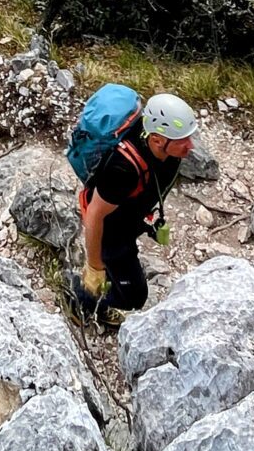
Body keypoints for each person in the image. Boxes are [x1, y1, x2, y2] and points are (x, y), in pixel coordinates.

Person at [65, 91, 197, 327]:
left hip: (127, 221)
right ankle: (79, 296)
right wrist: (94, 267)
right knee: (134, 297)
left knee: (124, 279)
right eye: (183, 140)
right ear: (157, 140)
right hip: (112, 233)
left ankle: (96, 291)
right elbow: (95, 215)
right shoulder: (123, 170)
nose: (191, 146)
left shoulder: (166, 150)